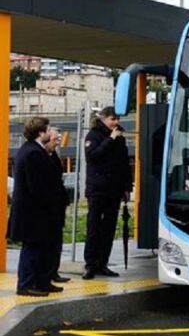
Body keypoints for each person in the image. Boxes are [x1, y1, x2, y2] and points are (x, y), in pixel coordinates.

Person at [10, 117, 64, 296]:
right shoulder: (33, 153)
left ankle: (42, 282)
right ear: (41, 133)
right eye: (49, 130)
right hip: (33, 212)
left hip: (37, 211)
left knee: (42, 248)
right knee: (32, 249)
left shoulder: (36, 150)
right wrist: (50, 204)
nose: (52, 133)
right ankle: (26, 284)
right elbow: (38, 185)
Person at [83, 107, 132, 279]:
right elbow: (93, 157)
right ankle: (90, 264)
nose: (116, 122)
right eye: (112, 119)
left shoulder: (120, 139)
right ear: (103, 119)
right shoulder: (93, 136)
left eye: (117, 119)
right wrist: (110, 140)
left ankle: (103, 263)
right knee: (94, 227)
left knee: (109, 228)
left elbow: (125, 164)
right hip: (97, 190)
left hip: (114, 189)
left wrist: (127, 188)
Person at [44, 127, 71, 284]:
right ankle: (48, 272)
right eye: (55, 139)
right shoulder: (41, 155)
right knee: (48, 240)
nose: (58, 141)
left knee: (56, 239)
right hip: (50, 205)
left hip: (57, 204)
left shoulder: (53, 154)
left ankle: (53, 270)